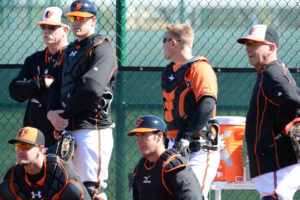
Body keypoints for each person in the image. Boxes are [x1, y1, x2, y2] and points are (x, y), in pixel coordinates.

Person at [46, 0, 118, 199]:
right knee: (69, 189)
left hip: (92, 130)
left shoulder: (102, 47)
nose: (76, 22)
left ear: (93, 20)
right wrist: (51, 114)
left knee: (92, 189)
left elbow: (91, 88)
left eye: (81, 18)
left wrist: (64, 116)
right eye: (73, 18)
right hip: (69, 130)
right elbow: (56, 85)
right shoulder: (70, 50)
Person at [237, 24, 300, 200]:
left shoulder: (272, 72)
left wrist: (279, 127)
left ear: (271, 47)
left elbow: (292, 99)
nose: (249, 49)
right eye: (247, 44)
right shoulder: (276, 71)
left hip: (276, 161)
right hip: (277, 162)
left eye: (255, 44)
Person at [161, 23, 220, 200]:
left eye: (164, 40)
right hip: (174, 143)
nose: (162, 45)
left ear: (173, 43)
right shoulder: (169, 71)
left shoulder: (200, 68)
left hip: (199, 146)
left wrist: (186, 137)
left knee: (192, 196)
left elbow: (207, 103)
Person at [9, 7, 69, 154]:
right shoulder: (34, 60)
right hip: (34, 133)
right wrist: (41, 83)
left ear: (65, 30)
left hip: (60, 131)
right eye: (44, 26)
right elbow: (15, 91)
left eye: (53, 27)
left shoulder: (72, 58)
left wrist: (36, 91)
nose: (47, 31)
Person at [0, 126, 91, 200]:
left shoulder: (62, 173)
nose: (19, 151)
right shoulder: (14, 175)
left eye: (25, 146)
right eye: (17, 146)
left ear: (41, 149)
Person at [127, 115, 202, 200]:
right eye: (138, 136)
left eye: (144, 135)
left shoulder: (174, 166)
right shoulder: (141, 168)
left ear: (159, 136)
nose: (139, 141)